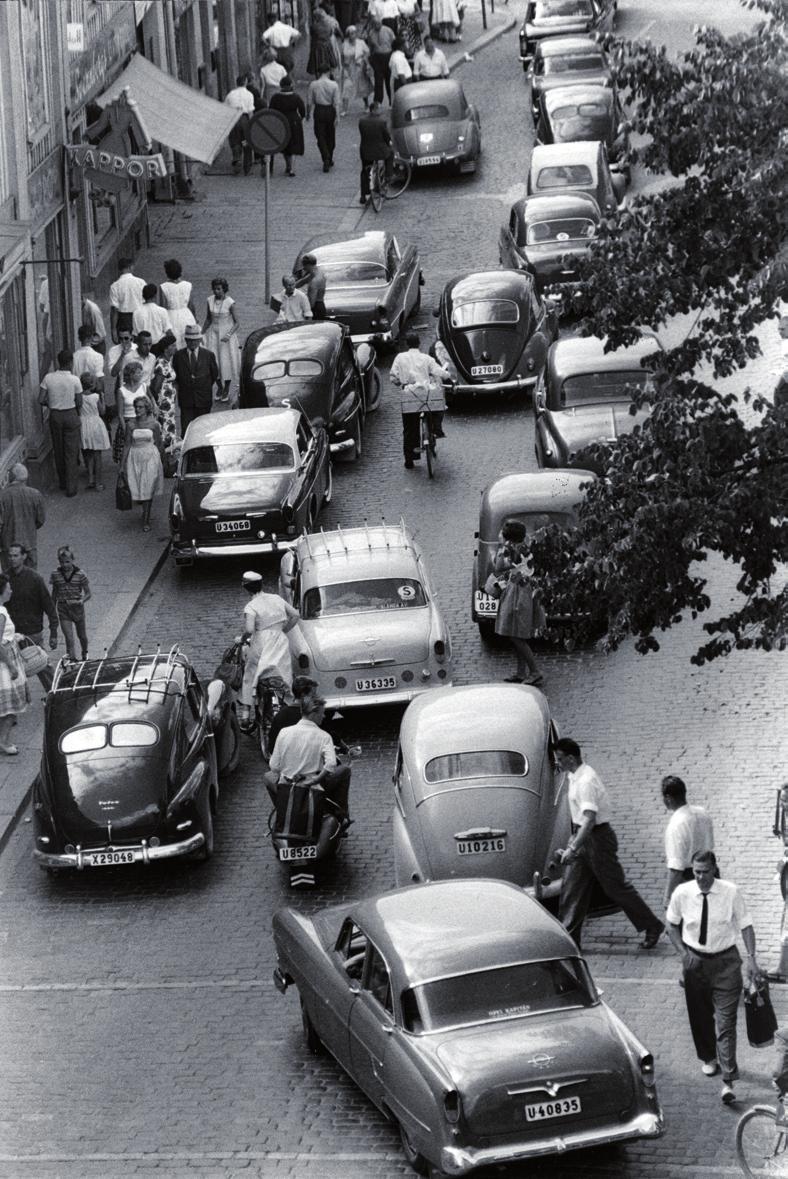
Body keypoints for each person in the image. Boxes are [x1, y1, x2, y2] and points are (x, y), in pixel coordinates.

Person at [666, 850, 762, 1104]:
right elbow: (670, 924)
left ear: (714, 870)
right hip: (695, 962)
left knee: (726, 1022)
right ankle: (709, 1057)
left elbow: (746, 925)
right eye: (696, 872)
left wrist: (751, 958)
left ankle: (728, 1081)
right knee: (700, 1016)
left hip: (726, 964)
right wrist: (682, 954)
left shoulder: (731, 892)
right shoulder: (682, 893)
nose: (700, 877)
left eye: (705, 872)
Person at [555, 737, 665, 952]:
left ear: (571, 758)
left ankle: (652, 925)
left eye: (559, 759)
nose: (556, 763)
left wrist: (573, 848)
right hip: (582, 836)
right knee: (572, 888)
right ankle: (569, 940)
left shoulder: (586, 781)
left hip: (597, 839)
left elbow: (589, 819)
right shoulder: (573, 776)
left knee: (615, 888)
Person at [265, 694, 352, 824]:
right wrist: (315, 780)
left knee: (267, 777)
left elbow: (274, 766)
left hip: (288, 784)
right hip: (312, 784)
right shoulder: (323, 736)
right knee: (344, 771)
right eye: (322, 713)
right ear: (313, 714)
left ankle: (282, 808)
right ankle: (341, 815)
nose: (323, 716)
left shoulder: (284, 732)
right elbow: (331, 765)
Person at [237, 571, 300, 729]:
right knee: (284, 672)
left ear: (246, 588)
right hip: (279, 641)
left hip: (261, 643)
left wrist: (241, 639)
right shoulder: (276, 598)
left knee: (250, 672)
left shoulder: (251, 606)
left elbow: (250, 629)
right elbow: (295, 615)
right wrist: (282, 630)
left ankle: (246, 713)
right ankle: (288, 703)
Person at [492, 520, 544, 685]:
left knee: (515, 635)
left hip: (518, 592)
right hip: (525, 589)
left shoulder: (509, 549)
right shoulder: (524, 547)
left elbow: (499, 567)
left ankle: (534, 671)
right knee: (517, 632)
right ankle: (521, 672)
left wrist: (502, 547)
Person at [389, 331, 448, 467]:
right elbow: (439, 372)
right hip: (426, 394)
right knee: (438, 407)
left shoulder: (400, 357)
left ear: (407, 344)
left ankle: (409, 459)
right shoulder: (426, 358)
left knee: (409, 428)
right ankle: (435, 430)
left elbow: (393, 377)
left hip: (409, 395)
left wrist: (400, 382)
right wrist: (447, 375)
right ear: (419, 344)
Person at [6, 543, 58, 692]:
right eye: (10, 555)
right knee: (12, 670)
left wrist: (53, 633)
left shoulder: (35, 579)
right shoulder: (5, 579)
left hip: (32, 634)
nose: (12, 559)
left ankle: (56, 693)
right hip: (12, 634)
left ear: (24, 556)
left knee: (42, 666)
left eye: (15, 555)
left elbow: (49, 606)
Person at [661, 774, 716, 904]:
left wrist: (668, 897)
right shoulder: (702, 813)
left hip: (690, 880)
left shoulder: (675, 825)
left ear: (668, 798)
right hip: (711, 874)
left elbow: (676, 868)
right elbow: (711, 844)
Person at [39, 349, 83, 497]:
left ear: (58, 362)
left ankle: (63, 481)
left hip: (55, 415)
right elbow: (79, 402)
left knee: (59, 449)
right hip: (70, 414)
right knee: (71, 451)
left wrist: (51, 402)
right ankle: (71, 487)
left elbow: (40, 399)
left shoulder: (48, 378)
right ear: (71, 362)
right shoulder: (75, 380)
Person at [122, 398, 164, 532]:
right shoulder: (130, 425)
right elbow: (127, 444)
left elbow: (159, 443)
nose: (137, 410)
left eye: (140, 407)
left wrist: (162, 461)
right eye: (136, 407)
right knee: (138, 486)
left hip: (151, 457)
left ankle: (146, 518)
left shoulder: (154, 424)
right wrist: (122, 465)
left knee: (149, 486)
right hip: (135, 457)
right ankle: (144, 511)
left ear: (147, 409)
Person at [0, 573, 29, 755]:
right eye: (8, 587)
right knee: (10, 709)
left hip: (8, 657)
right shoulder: (1, 612)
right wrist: (11, 666)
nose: (11, 590)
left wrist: (14, 637)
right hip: (4, 665)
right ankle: (3, 742)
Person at [172, 325, 220, 433]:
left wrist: (203, 385)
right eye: (190, 340)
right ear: (186, 340)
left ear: (199, 340)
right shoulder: (178, 356)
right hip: (186, 400)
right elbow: (176, 376)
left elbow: (214, 374)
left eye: (195, 340)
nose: (193, 343)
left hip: (203, 399)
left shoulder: (208, 355)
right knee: (187, 430)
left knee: (204, 430)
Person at [0, 464, 46, 570]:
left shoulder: (2, 497)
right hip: (29, 544)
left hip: (8, 548)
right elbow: (40, 520)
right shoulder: (35, 494)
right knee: (31, 579)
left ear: (10, 476)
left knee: (10, 580)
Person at [49, 546, 91, 661]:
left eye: (67, 562)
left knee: (82, 636)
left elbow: (88, 593)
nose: (65, 565)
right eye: (62, 562)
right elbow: (54, 592)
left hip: (77, 607)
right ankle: (72, 660)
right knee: (69, 637)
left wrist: (81, 601)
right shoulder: (55, 574)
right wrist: (52, 608)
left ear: (73, 560)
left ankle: (84, 651)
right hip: (63, 608)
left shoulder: (80, 574)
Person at [202, 278, 240, 402]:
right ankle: (219, 386)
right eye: (215, 289)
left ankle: (226, 388)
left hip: (226, 337)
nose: (216, 291)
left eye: (219, 289)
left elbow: (237, 323)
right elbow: (208, 319)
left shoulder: (230, 303)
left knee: (226, 362)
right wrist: (201, 332)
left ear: (224, 289)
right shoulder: (209, 300)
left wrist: (228, 335)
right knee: (214, 362)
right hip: (213, 334)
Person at [149, 333, 180, 465]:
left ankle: (167, 461)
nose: (175, 348)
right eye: (173, 345)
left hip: (169, 404)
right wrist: (157, 404)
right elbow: (156, 386)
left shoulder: (167, 362)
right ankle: (164, 461)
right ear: (166, 348)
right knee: (165, 432)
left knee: (168, 431)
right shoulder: (161, 363)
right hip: (164, 405)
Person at [78, 374, 110, 492]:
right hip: (95, 424)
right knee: (97, 455)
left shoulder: (80, 397)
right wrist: (103, 398)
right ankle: (98, 483)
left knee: (89, 454)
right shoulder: (96, 397)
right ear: (92, 385)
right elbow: (102, 411)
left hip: (84, 424)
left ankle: (90, 479)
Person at [269, 76, 306, 176]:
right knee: (293, 145)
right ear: (290, 85)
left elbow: (271, 111)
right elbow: (302, 110)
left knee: (285, 145)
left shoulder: (275, 97)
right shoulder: (296, 97)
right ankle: (292, 168)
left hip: (281, 122)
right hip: (294, 122)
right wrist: (300, 118)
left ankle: (288, 165)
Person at [307, 64, 341, 172]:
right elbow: (336, 103)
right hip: (330, 110)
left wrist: (308, 114)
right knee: (331, 135)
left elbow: (309, 102)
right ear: (328, 72)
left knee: (320, 135)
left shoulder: (313, 84)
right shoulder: (334, 85)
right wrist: (338, 116)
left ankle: (325, 157)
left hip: (319, 110)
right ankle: (329, 157)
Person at [114, 359, 149, 462]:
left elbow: (149, 404)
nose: (141, 374)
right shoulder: (121, 391)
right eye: (138, 372)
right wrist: (125, 430)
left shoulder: (144, 387)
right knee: (127, 456)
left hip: (142, 423)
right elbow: (120, 414)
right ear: (131, 374)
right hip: (128, 423)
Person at [159, 259, 198, 349]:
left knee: (173, 340)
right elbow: (191, 305)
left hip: (171, 316)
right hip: (186, 315)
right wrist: (195, 319)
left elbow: (163, 307)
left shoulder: (163, 287)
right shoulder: (188, 285)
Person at [225, 73, 256, 175]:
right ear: (246, 83)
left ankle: (237, 159)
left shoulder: (230, 94)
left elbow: (225, 108)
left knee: (235, 141)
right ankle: (247, 167)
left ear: (236, 83)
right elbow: (251, 111)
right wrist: (252, 125)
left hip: (233, 119)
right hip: (244, 119)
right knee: (246, 142)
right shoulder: (249, 94)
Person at [109, 258, 146, 342]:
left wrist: (113, 330)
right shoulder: (141, 282)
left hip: (123, 319)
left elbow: (114, 309)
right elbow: (145, 302)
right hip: (139, 316)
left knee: (124, 345)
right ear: (130, 267)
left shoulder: (115, 286)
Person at [341, 27, 373, 114]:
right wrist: (343, 67)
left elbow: (367, 53)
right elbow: (342, 57)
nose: (353, 35)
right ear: (348, 35)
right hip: (349, 68)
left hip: (359, 67)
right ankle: (344, 109)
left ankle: (366, 105)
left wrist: (363, 59)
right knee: (346, 87)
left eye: (354, 33)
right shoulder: (344, 44)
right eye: (351, 33)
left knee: (363, 87)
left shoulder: (361, 43)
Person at [308, 2, 342, 78]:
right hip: (327, 45)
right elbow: (331, 33)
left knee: (317, 62)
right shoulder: (328, 25)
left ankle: (319, 77)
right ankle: (330, 75)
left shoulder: (314, 26)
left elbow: (312, 35)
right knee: (329, 60)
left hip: (317, 46)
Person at [367, 16, 395, 104]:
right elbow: (370, 46)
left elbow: (393, 42)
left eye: (378, 24)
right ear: (372, 25)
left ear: (381, 23)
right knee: (378, 80)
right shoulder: (371, 33)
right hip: (377, 58)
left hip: (388, 56)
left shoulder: (388, 30)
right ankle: (378, 102)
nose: (377, 26)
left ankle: (392, 100)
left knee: (389, 79)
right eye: (375, 24)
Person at [72, 325, 105, 394]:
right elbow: (100, 380)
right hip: (93, 394)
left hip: (78, 394)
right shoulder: (98, 356)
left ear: (79, 338)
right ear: (91, 338)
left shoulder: (73, 356)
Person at [299, 255, 328, 319]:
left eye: (304, 265)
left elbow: (311, 303)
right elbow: (302, 281)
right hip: (321, 305)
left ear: (308, 265)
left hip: (315, 310)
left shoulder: (314, 281)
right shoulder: (319, 271)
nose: (303, 268)